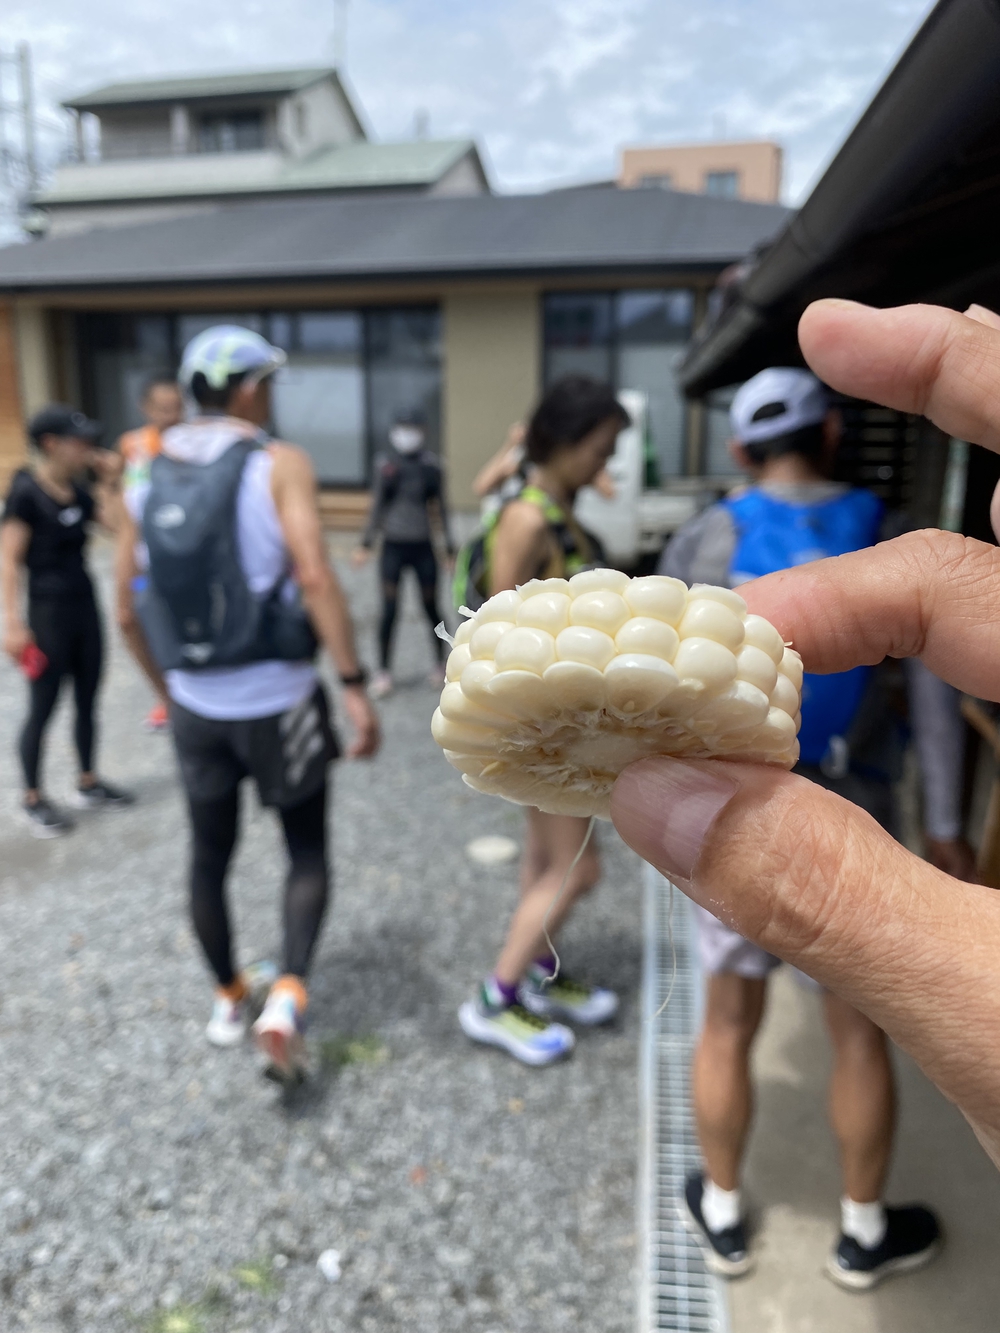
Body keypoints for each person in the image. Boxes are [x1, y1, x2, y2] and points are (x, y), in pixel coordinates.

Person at [610, 297, 1000, 1214]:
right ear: (830, 432)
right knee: (863, 1030)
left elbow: (655, 684)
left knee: (728, 1020)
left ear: (743, 450)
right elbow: (939, 698)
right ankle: (862, 1225)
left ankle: (723, 1206)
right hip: (863, 795)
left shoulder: (707, 536)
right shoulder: (895, 529)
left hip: (731, 804)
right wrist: (946, 821)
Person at [116, 325, 380, 1081]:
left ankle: (230, 994)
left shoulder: (143, 470)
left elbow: (127, 609)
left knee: (209, 855)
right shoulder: (277, 463)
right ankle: (287, 994)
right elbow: (317, 576)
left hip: (198, 702)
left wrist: (170, 692)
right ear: (248, 388)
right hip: (282, 698)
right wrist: (355, 686)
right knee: (304, 848)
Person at [458, 375, 629, 1065]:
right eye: (598, 449)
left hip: (564, 728)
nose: (605, 465)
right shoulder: (529, 520)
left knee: (543, 865)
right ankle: (493, 999)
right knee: (577, 872)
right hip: (543, 732)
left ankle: (535, 973)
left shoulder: (560, 512)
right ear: (558, 443)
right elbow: (502, 634)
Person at [1, 405, 133, 837]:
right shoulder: (25, 493)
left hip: (83, 607)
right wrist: (12, 622)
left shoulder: (78, 492)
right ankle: (33, 796)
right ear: (51, 444)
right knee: (42, 706)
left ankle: (88, 781)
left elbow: (120, 527)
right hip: (47, 614)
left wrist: (111, 481)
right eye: (80, 442)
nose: (88, 449)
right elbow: (7, 559)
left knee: (88, 699)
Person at [352, 410, 454, 699]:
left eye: (412, 428)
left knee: (431, 606)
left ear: (422, 431)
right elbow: (377, 507)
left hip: (423, 546)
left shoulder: (431, 466)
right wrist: (366, 544)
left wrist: (449, 549)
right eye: (402, 427)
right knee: (388, 610)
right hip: (393, 547)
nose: (406, 434)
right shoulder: (386, 466)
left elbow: (441, 510)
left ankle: (441, 662)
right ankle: (383, 672)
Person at [116, 375, 184, 733]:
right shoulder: (131, 445)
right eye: (163, 409)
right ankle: (166, 696)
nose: (171, 416)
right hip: (139, 554)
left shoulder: (192, 445)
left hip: (179, 554)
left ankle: (188, 700)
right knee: (131, 621)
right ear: (145, 408)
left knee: (177, 625)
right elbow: (121, 497)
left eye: (177, 408)